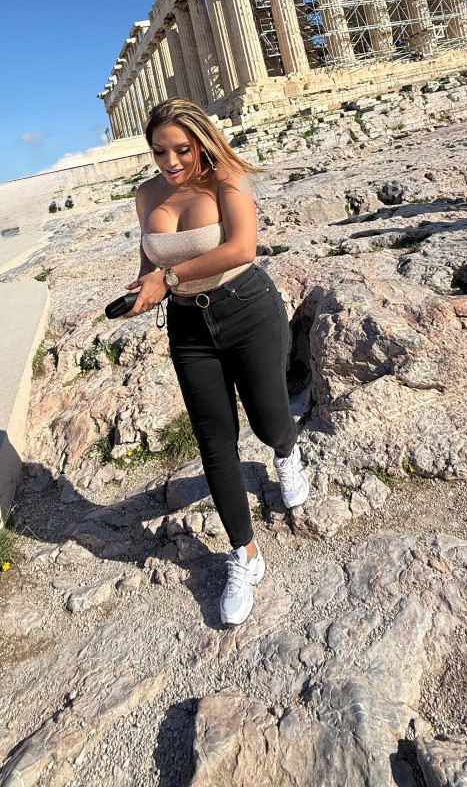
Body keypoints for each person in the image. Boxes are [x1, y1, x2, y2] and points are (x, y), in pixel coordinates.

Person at [127, 97, 309, 625]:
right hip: (188, 326)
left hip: (247, 307)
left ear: (201, 142)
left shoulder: (226, 176)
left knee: (269, 418)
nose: (171, 161)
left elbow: (243, 248)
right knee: (214, 439)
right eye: (159, 151)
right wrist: (144, 286)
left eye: (182, 149)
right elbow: (151, 256)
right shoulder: (146, 194)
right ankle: (244, 554)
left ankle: (286, 452)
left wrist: (169, 278)